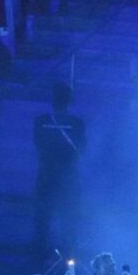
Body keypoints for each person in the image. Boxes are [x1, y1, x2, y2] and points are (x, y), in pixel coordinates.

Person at [33, 82, 85, 252]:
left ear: (52, 100)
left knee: (43, 219)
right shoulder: (77, 123)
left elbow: (38, 144)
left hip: (46, 175)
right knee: (68, 220)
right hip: (68, 176)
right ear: (69, 100)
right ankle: (68, 259)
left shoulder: (41, 121)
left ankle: (38, 259)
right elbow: (82, 148)